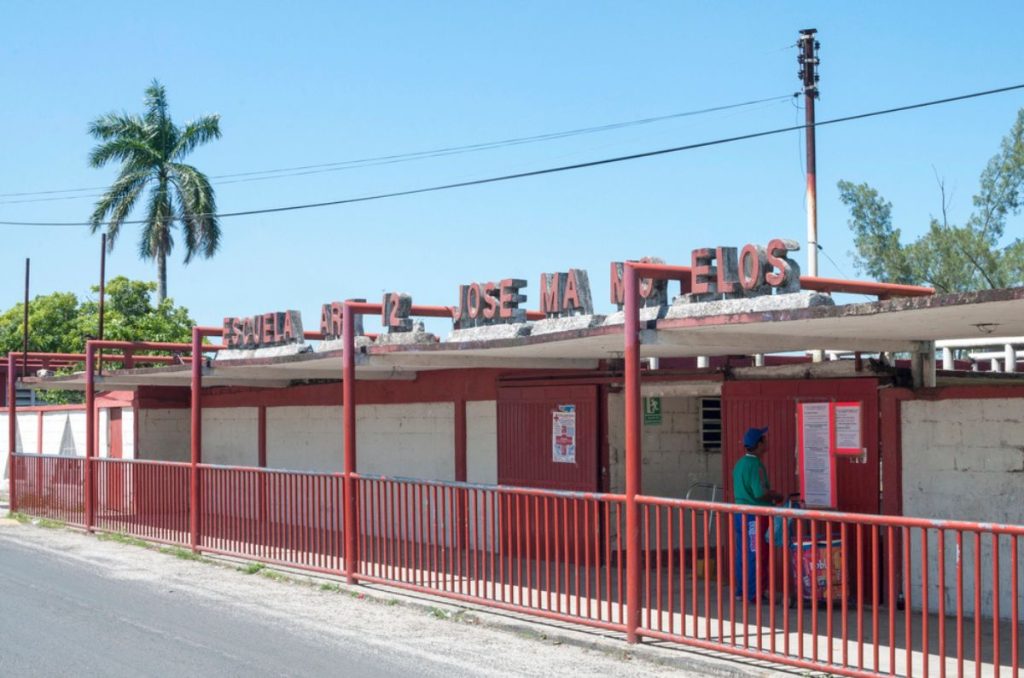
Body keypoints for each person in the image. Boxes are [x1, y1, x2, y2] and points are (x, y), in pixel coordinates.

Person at [732, 426, 782, 603]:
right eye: (764, 439)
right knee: (757, 554)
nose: (767, 442)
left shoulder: (740, 464)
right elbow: (759, 493)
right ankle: (754, 594)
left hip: (740, 515)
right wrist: (776, 496)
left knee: (743, 553)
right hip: (754, 516)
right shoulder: (755, 465)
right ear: (759, 444)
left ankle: (741, 591)